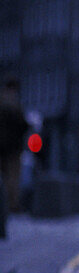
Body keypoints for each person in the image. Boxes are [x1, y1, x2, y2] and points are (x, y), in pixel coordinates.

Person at [0, 74, 29, 218]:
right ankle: (12, 205)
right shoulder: (14, 104)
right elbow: (22, 124)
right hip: (13, 147)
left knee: (2, 176)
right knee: (12, 177)